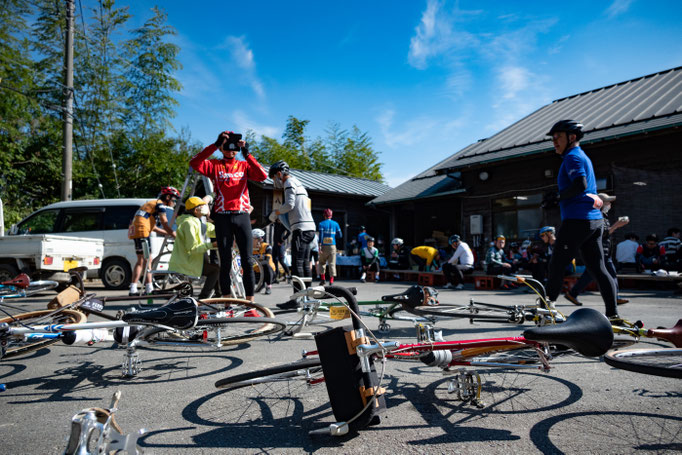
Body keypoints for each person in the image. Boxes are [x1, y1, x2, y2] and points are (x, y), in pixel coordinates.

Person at [544, 119, 619, 320]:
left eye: (558, 137)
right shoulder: (581, 155)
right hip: (594, 221)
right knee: (599, 268)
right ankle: (613, 314)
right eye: (553, 138)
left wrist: (558, 197)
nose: (554, 141)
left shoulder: (572, 157)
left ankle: (547, 310)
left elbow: (580, 184)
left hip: (578, 220)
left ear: (572, 137)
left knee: (556, 265)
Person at [190, 131, 268, 302]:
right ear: (221, 147)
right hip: (222, 217)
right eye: (226, 145)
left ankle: (250, 304)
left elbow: (263, 175)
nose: (230, 149)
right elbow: (194, 162)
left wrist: (247, 153)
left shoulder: (243, 165)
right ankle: (227, 304)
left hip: (242, 216)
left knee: (247, 261)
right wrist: (215, 145)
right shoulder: (214, 165)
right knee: (225, 262)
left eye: (234, 146)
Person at [564, 193, 630, 306]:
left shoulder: (601, 216)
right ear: (600, 204)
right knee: (609, 273)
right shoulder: (597, 217)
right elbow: (603, 234)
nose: (609, 204)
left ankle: (573, 294)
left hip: (602, 251)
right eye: (607, 202)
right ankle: (615, 297)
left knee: (591, 274)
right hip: (600, 251)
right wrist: (617, 225)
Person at [268, 161, 316, 304]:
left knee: (297, 264)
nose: (275, 183)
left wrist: (276, 213)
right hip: (309, 228)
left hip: (301, 229)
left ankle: (297, 299)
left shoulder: (288, 183)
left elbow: (289, 204)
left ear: (279, 174)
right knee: (305, 263)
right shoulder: (298, 183)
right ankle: (307, 297)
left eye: (274, 178)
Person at [128, 186, 178, 296]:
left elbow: (153, 227)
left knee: (141, 261)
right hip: (143, 232)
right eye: (174, 199)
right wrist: (174, 235)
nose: (174, 202)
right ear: (168, 197)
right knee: (148, 260)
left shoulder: (151, 204)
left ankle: (133, 288)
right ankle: (149, 288)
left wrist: (167, 233)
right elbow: (165, 223)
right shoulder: (160, 205)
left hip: (136, 231)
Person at [168, 196, 220, 299]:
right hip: (186, 262)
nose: (205, 207)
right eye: (202, 206)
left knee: (216, 268)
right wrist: (211, 245)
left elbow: (213, 231)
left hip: (192, 260)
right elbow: (192, 248)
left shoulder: (197, 221)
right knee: (215, 270)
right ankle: (203, 298)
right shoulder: (189, 223)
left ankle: (218, 295)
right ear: (196, 210)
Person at [317, 208, 342, 286]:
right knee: (332, 263)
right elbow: (340, 235)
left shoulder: (321, 224)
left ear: (324, 215)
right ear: (331, 215)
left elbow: (321, 236)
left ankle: (323, 279)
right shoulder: (336, 224)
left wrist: (319, 246)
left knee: (322, 262)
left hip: (323, 246)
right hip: (332, 246)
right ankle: (331, 281)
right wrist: (333, 236)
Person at [252, 228, 275, 295]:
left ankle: (268, 286)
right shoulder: (250, 248)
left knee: (266, 265)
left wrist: (255, 264)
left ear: (259, 239)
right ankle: (260, 284)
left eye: (253, 239)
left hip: (269, 272)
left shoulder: (267, 246)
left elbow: (266, 261)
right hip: (257, 271)